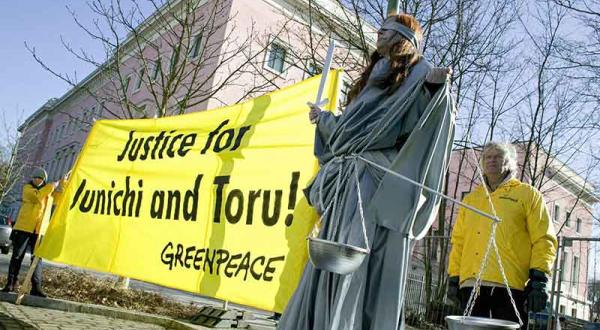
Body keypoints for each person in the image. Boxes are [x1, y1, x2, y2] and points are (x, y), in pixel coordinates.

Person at [278, 13, 456, 330]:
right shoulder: (381, 71)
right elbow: (353, 129)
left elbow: (419, 129)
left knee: (354, 257)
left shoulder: (420, 74)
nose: (378, 33)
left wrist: (435, 92)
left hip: (372, 180)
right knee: (352, 257)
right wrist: (326, 119)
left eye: (385, 30)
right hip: (367, 179)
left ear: (401, 38)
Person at [447, 142, 558, 328]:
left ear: (509, 162)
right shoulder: (471, 199)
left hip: (509, 286)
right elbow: (459, 241)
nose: (491, 160)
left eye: (497, 156)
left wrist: (539, 279)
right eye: (487, 157)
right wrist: (454, 277)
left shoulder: (528, 195)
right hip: (471, 285)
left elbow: (543, 239)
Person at [2, 167, 67, 297]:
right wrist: (51, 186)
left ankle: (36, 288)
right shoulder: (28, 189)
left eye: (40, 178)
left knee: (37, 259)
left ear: (43, 180)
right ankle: (10, 284)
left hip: (39, 230)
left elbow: (60, 199)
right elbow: (37, 197)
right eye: (36, 178)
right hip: (23, 228)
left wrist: (63, 184)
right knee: (17, 256)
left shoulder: (48, 192)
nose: (37, 180)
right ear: (33, 179)